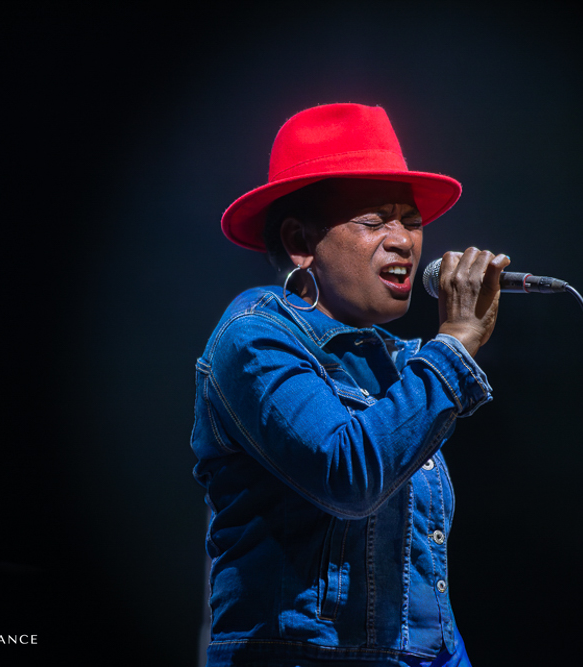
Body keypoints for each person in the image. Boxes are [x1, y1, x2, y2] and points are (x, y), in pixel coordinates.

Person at [191, 103, 509, 667]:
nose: (403, 240)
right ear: (300, 240)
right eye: (375, 220)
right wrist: (455, 344)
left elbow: (418, 580)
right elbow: (348, 475)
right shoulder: (254, 336)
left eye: (411, 221)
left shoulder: (399, 364)